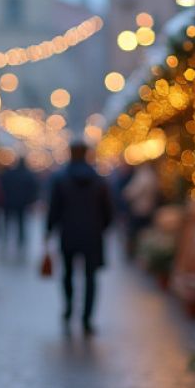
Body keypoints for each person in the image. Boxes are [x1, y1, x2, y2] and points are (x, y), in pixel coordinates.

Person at [47, 141, 114, 335]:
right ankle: (87, 318)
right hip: (92, 235)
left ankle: (69, 308)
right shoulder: (99, 180)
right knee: (90, 277)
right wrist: (101, 227)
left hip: (68, 234)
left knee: (67, 274)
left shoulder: (60, 179)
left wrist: (49, 230)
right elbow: (108, 210)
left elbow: (54, 208)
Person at [0, 157, 38, 252]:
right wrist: (30, 201)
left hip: (8, 203)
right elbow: (33, 189)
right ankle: (21, 241)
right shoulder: (28, 175)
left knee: (8, 222)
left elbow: (2, 186)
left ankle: (6, 239)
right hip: (22, 203)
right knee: (21, 223)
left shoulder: (9, 174)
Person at [122, 161, 159, 255]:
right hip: (149, 207)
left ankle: (136, 252)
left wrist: (126, 194)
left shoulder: (143, 176)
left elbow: (131, 192)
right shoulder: (152, 175)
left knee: (136, 232)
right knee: (144, 232)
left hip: (140, 209)